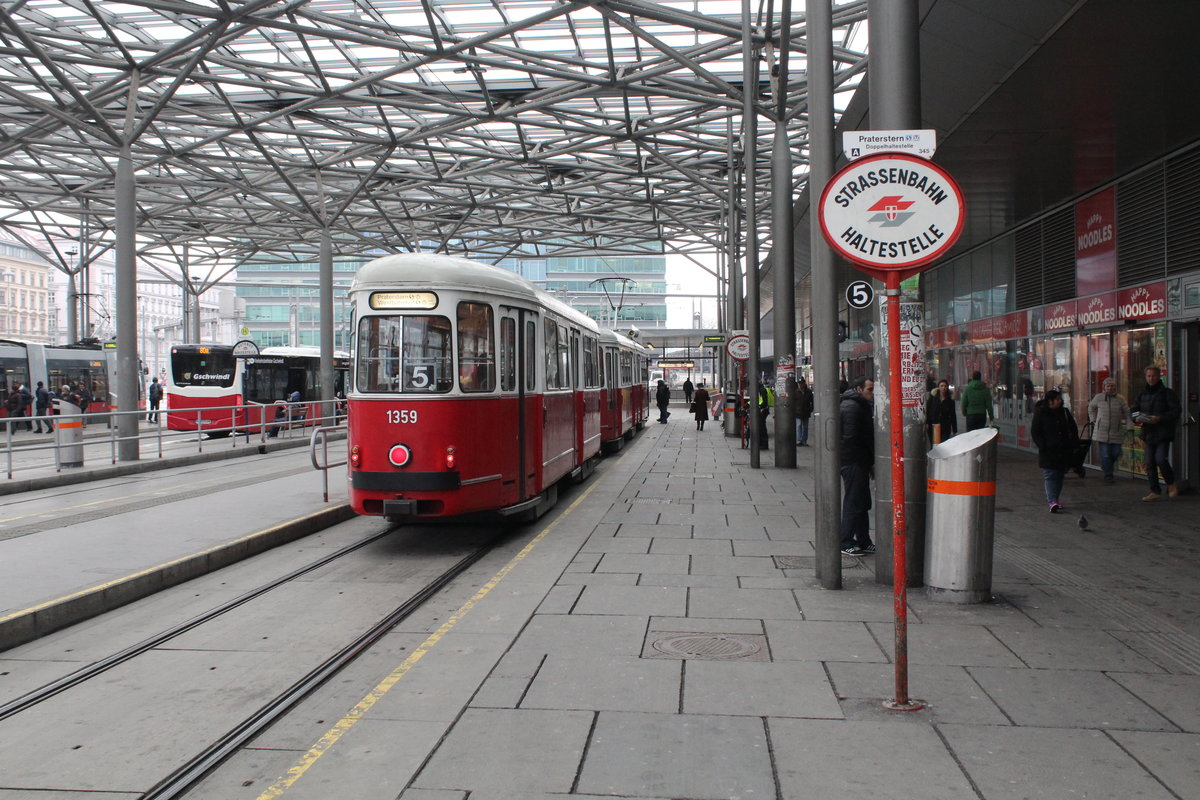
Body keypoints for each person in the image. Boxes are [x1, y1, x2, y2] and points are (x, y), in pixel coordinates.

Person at [1130, 365, 1182, 501]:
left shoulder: (1167, 393)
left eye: (1153, 376)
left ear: (1159, 377)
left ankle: (1171, 483)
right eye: (1148, 376)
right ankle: (1155, 491)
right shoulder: (1142, 393)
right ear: (1145, 377)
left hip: (1163, 432)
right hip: (1148, 432)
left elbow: (1176, 411)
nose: (1151, 378)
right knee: (1149, 462)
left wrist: (1160, 418)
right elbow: (1134, 409)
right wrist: (1136, 417)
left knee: (1160, 459)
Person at [839, 376, 875, 555]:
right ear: (859, 389)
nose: (873, 393)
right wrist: (864, 461)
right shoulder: (852, 407)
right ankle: (845, 541)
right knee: (854, 501)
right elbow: (851, 439)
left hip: (859, 461)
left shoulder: (858, 405)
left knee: (862, 501)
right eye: (870, 389)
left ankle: (863, 539)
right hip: (853, 461)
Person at [1031, 389, 1079, 513]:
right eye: (1057, 399)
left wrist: (1073, 443)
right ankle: (1052, 500)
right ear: (1050, 401)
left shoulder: (1064, 412)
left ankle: (1055, 499)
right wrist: (1043, 445)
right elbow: (1035, 432)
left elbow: (1073, 428)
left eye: (1059, 399)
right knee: (1050, 475)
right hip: (1048, 451)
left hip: (1063, 450)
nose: (1059, 401)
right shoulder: (1041, 413)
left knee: (1059, 475)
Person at [1087, 377, 1129, 484]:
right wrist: (1094, 419)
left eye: (1112, 386)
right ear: (1104, 387)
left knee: (1116, 453)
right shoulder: (1099, 397)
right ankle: (1108, 475)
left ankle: (1106, 466)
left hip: (1116, 430)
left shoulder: (1120, 398)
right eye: (1108, 386)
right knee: (1105, 454)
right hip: (1102, 430)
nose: (1110, 388)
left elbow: (1128, 413)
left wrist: (1130, 426)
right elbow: (1091, 407)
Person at [926, 379, 958, 446]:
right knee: (934, 445)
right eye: (942, 386)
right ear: (938, 387)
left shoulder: (950, 400)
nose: (943, 388)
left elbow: (953, 414)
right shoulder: (933, 397)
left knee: (943, 445)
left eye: (945, 386)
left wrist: (955, 429)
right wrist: (927, 422)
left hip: (945, 426)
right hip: (933, 425)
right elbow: (928, 409)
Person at [794, 377, 814, 446]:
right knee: (799, 426)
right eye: (799, 383)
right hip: (797, 412)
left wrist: (810, 409)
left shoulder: (809, 392)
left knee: (805, 427)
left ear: (804, 383)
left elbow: (812, 401)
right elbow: (793, 402)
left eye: (802, 383)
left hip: (806, 412)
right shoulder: (796, 392)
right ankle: (799, 440)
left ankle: (804, 441)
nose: (800, 385)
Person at [756, 382, 770, 450]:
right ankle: (761, 443)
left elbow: (764, 401)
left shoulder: (762, 390)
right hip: (762, 410)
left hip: (763, 410)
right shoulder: (759, 390)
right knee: (760, 427)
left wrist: (759, 407)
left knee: (762, 427)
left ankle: (764, 444)